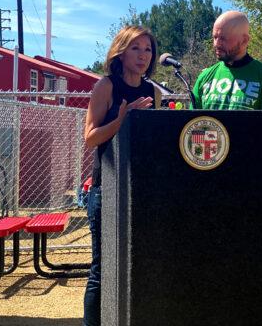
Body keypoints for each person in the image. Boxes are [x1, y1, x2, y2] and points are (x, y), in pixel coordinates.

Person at [82, 25, 158, 326]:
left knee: (139, 263)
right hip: (107, 190)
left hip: (140, 189)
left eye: (148, 49)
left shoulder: (152, 91)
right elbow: (90, 138)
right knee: (102, 269)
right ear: (121, 51)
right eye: (135, 48)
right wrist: (123, 119)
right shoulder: (107, 86)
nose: (143, 56)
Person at [191, 10, 262, 149]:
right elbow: (192, 128)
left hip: (247, 168)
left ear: (244, 40)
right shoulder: (205, 77)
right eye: (215, 37)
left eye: (223, 38)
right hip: (208, 166)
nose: (216, 44)